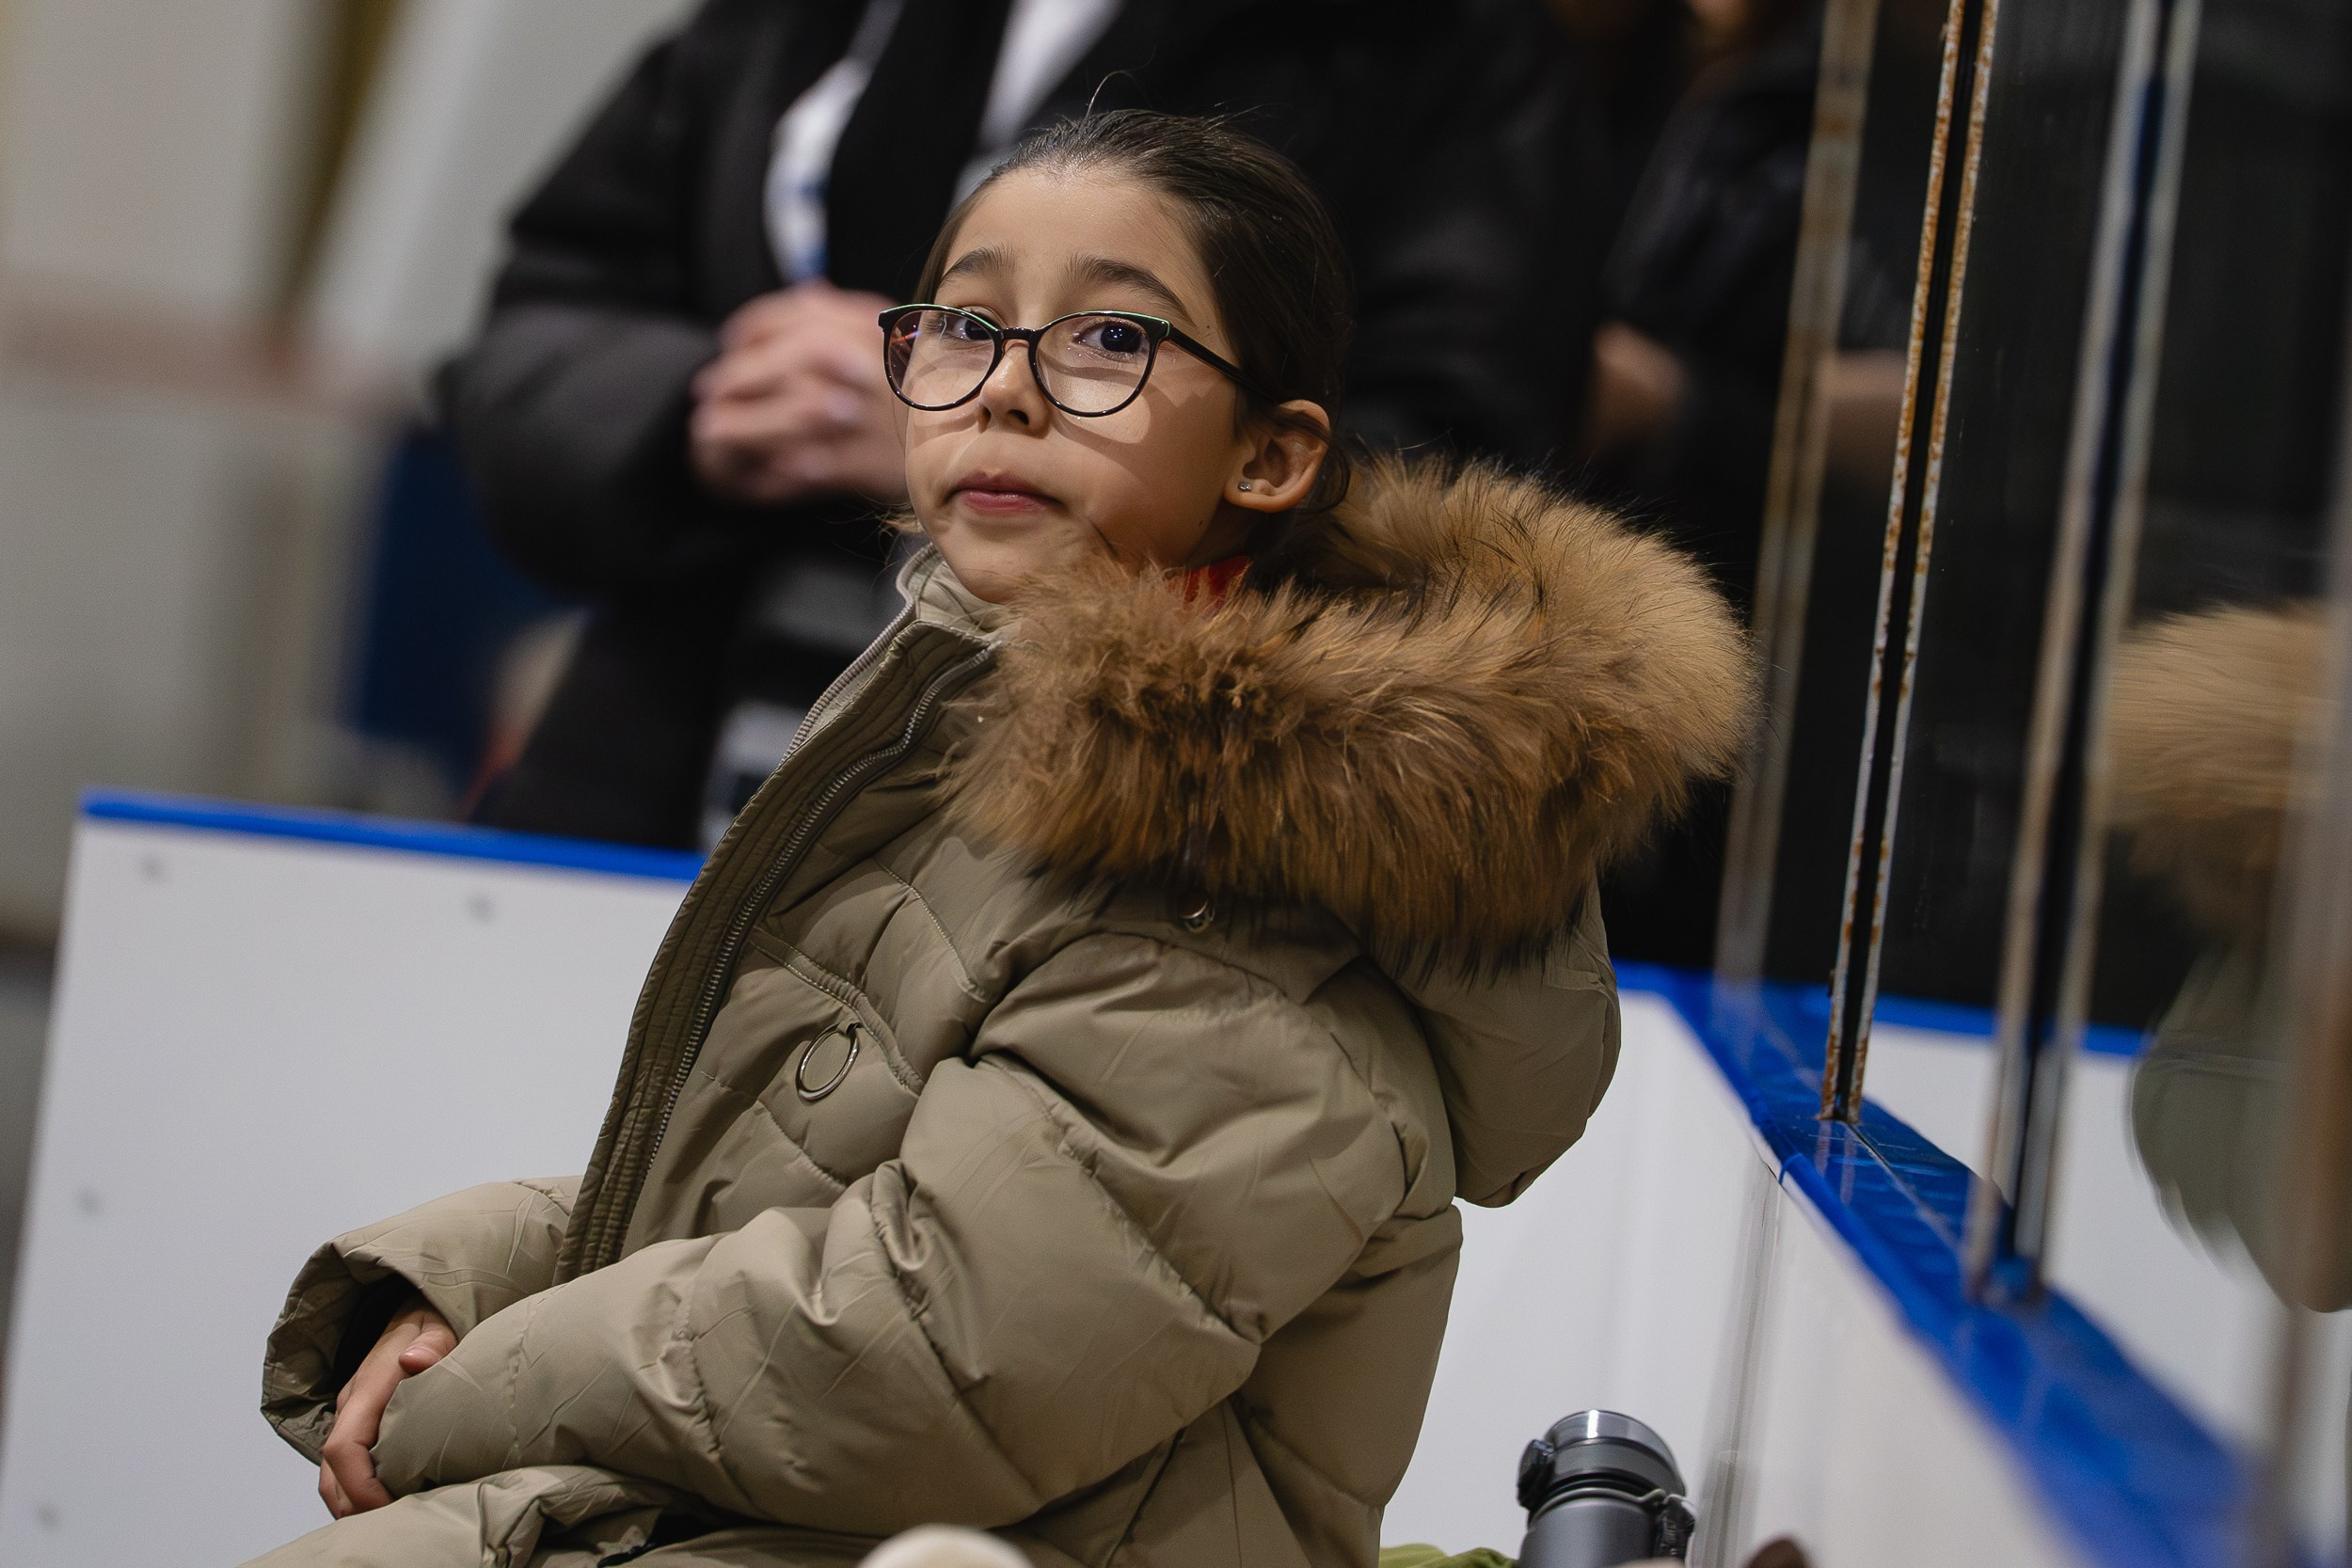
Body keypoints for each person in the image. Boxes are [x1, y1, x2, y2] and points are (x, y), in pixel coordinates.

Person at [248, 114, 1751, 1568]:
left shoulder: (1264, 871)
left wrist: (481, 1388)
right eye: (966, 325)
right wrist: (457, 1287)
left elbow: (921, 1360)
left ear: (1273, 456)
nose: (1006, 391)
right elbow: (756, 1192)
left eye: (1112, 339)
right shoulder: (988, 718)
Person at [446, 0, 1580, 853]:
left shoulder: (1442, 41)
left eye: (1119, 337)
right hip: (654, 771)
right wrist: (703, 404)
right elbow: (531, 327)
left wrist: (977, 413)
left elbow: (1461, 469)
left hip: (1119, 802)